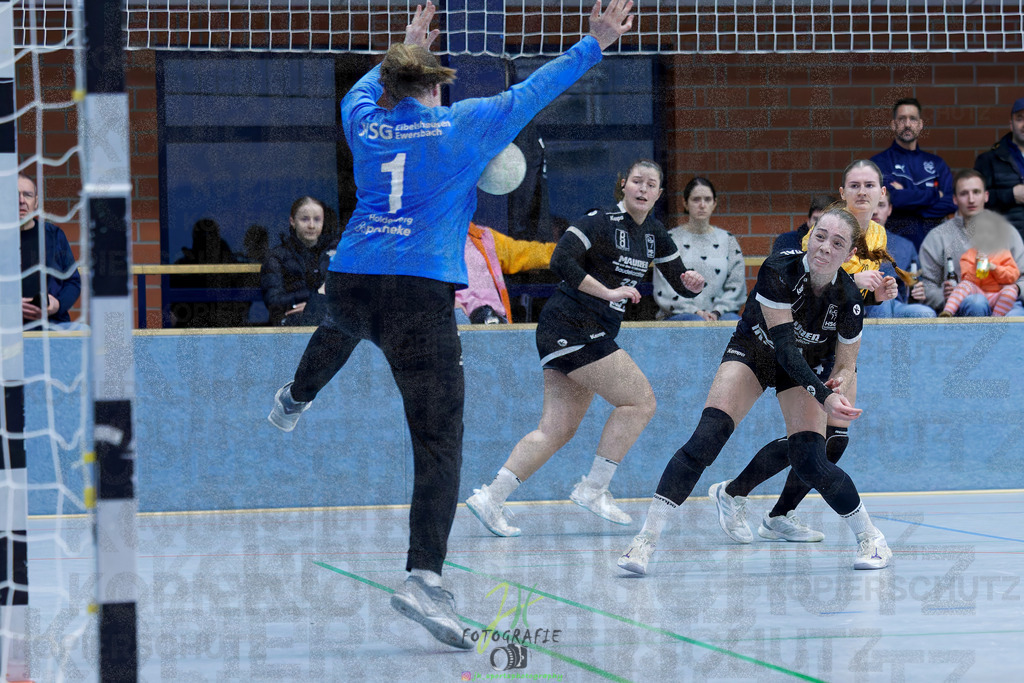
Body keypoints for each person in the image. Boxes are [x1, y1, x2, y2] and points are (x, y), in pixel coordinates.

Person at [266, 0, 636, 650]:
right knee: (438, 440)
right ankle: (422, 577)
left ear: (393, 83)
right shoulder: (462, 126)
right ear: (434, 87)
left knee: (339, 327)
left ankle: (294, 396)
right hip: (417, 292)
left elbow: (360, 90)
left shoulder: (366, 123)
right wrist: (595, 43)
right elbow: (533, 89)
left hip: (353, 276)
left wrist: (401, 49)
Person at [618, 207, 894, 576]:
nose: (825, 247)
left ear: (849, 255)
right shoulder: (778, 268)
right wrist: (823, 395)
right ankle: (644, 541)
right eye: (820, 235)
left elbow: (845, 363)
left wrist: (839, 383)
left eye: (838, 243)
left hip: (804, 368)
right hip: (755, 350)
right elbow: (784, 350)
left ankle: (872, 539)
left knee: (812, 458)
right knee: (707, 438)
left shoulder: (849, 300)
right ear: (810, 235)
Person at [466, 159, 704, 536]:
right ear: (623, 185)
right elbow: (561, 259)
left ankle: (490, 498)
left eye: (651, 184)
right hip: (572, 326)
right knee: (640, 401)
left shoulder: (655, 233)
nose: (643, 189)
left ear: (659, 194)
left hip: (584, 332)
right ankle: (594, 488)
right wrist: (608, 292)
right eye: (636, 181)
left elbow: (678, 279)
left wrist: (691, 282)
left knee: (556, 430)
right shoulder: (599, 219)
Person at [693, 160, 905, 548]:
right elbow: (798, 272)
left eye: (869, 185)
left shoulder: (876, 237)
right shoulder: (818, 228)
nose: (861, 192)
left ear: (881, 194)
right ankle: (734, 492)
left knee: (835, 440)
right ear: (842, 193)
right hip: (793, 343)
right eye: (854, 185)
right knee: (809, 441)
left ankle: (779, 515)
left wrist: (873, 295)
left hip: (836, 345)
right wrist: (852, 281)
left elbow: (848, 305)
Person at [920, 169, 1024, 316]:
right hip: (963, 306)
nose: (971, 199)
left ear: (986, 196)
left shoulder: (1007, 231)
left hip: (1006, 303)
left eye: (976, 192)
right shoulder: (938, 236)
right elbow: (926, 285)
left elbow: (1023, 276)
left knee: (1017, 316)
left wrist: (1015, 289)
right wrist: (946, 297)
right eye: (964, 194)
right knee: (976, 302)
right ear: (955, 199)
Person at [653, 177, 745, 321]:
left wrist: (716, 312)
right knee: (694, 323)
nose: (702, 205)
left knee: (735, 323)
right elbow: (664, 289)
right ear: (685, 203)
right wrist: (696, 312)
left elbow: (736, 285)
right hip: (679, 316)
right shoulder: (669, 239)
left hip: (719, 316)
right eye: (696, 199)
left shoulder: (728, 240)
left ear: (714, 203)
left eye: (707, 199)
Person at [870, 97, 955, 249]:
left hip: (934, 246)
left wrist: (908, 201)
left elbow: (951, 202)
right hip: (894, 248)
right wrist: (934, 195)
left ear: (920, 124)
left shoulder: (936, 164)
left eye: (913, 119)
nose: (908, 124)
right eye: (902, 119)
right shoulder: (880, 163)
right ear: (893, 125)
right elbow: (892, 199)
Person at [455, 222, 556, 324]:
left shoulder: (484, 237)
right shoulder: (439, 242)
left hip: (495, 323)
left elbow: (524, 253)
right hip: (457, 326)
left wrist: (564, 250)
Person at [18, 173, 81, 329]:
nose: (21, 201)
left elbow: (73, 281)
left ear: (36, 202)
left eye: (28, 195)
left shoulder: (53, 235)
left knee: (84, 331)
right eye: (15, 195)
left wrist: (57, 305)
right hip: (7, 328)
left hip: (52, 324)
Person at [260, 197, 336, 326]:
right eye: (304, 219)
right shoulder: (276, 256)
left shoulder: (336, 254)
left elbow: (353, 297)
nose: (311, 225)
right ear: (292, 221)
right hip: (291, 327)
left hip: (329, 322)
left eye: (317, 219)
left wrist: (315, 307)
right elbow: (273, 302)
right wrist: (314, 304)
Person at [864, 194, 936, 318]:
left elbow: (916, 283)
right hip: (863, 304)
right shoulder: (851, 240)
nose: (875, 211)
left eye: (881, 205)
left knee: (926, 314)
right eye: (871, 206)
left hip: (897, 304)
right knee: (883, 301)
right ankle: (882, 338)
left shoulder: (905, 246)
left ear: (890, 209)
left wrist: (919, 291)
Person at [170, 218, 249, 328]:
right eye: (203, 235)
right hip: (192, 326)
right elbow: (172, 297)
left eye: (211, 234)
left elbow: (245, 291)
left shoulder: (230, 262)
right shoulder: (184, 265)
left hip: (225, 325)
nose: (207, 239)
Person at [940, 210, 1021, 317]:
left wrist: (994, 268)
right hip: (977, 293)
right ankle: (947, 312)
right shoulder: (968, 255)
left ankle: (996, 319)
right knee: (964, 285)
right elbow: (967, 279)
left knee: (1011, 290)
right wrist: (976, 264)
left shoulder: (1004, 253)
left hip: (997, 294)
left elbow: (1012, 276)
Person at [974, 97, 1024, 239]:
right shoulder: (989, 159)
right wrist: (1011, 195)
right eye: (1019, 118)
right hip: (1004, 240)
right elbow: (975, 200)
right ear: (1011, 124)